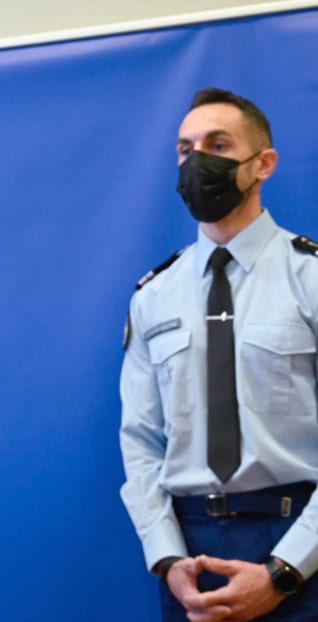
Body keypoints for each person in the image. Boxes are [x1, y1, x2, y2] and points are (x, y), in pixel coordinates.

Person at [120, 87, 318, 622]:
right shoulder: (153, 295)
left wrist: (285, 571)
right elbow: (140, 441)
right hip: (191, 556)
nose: (197, 162)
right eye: (185, 150)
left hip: (301, 543)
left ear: (263, 164)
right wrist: (167, 558)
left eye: (218, 145)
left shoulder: (311, 279)